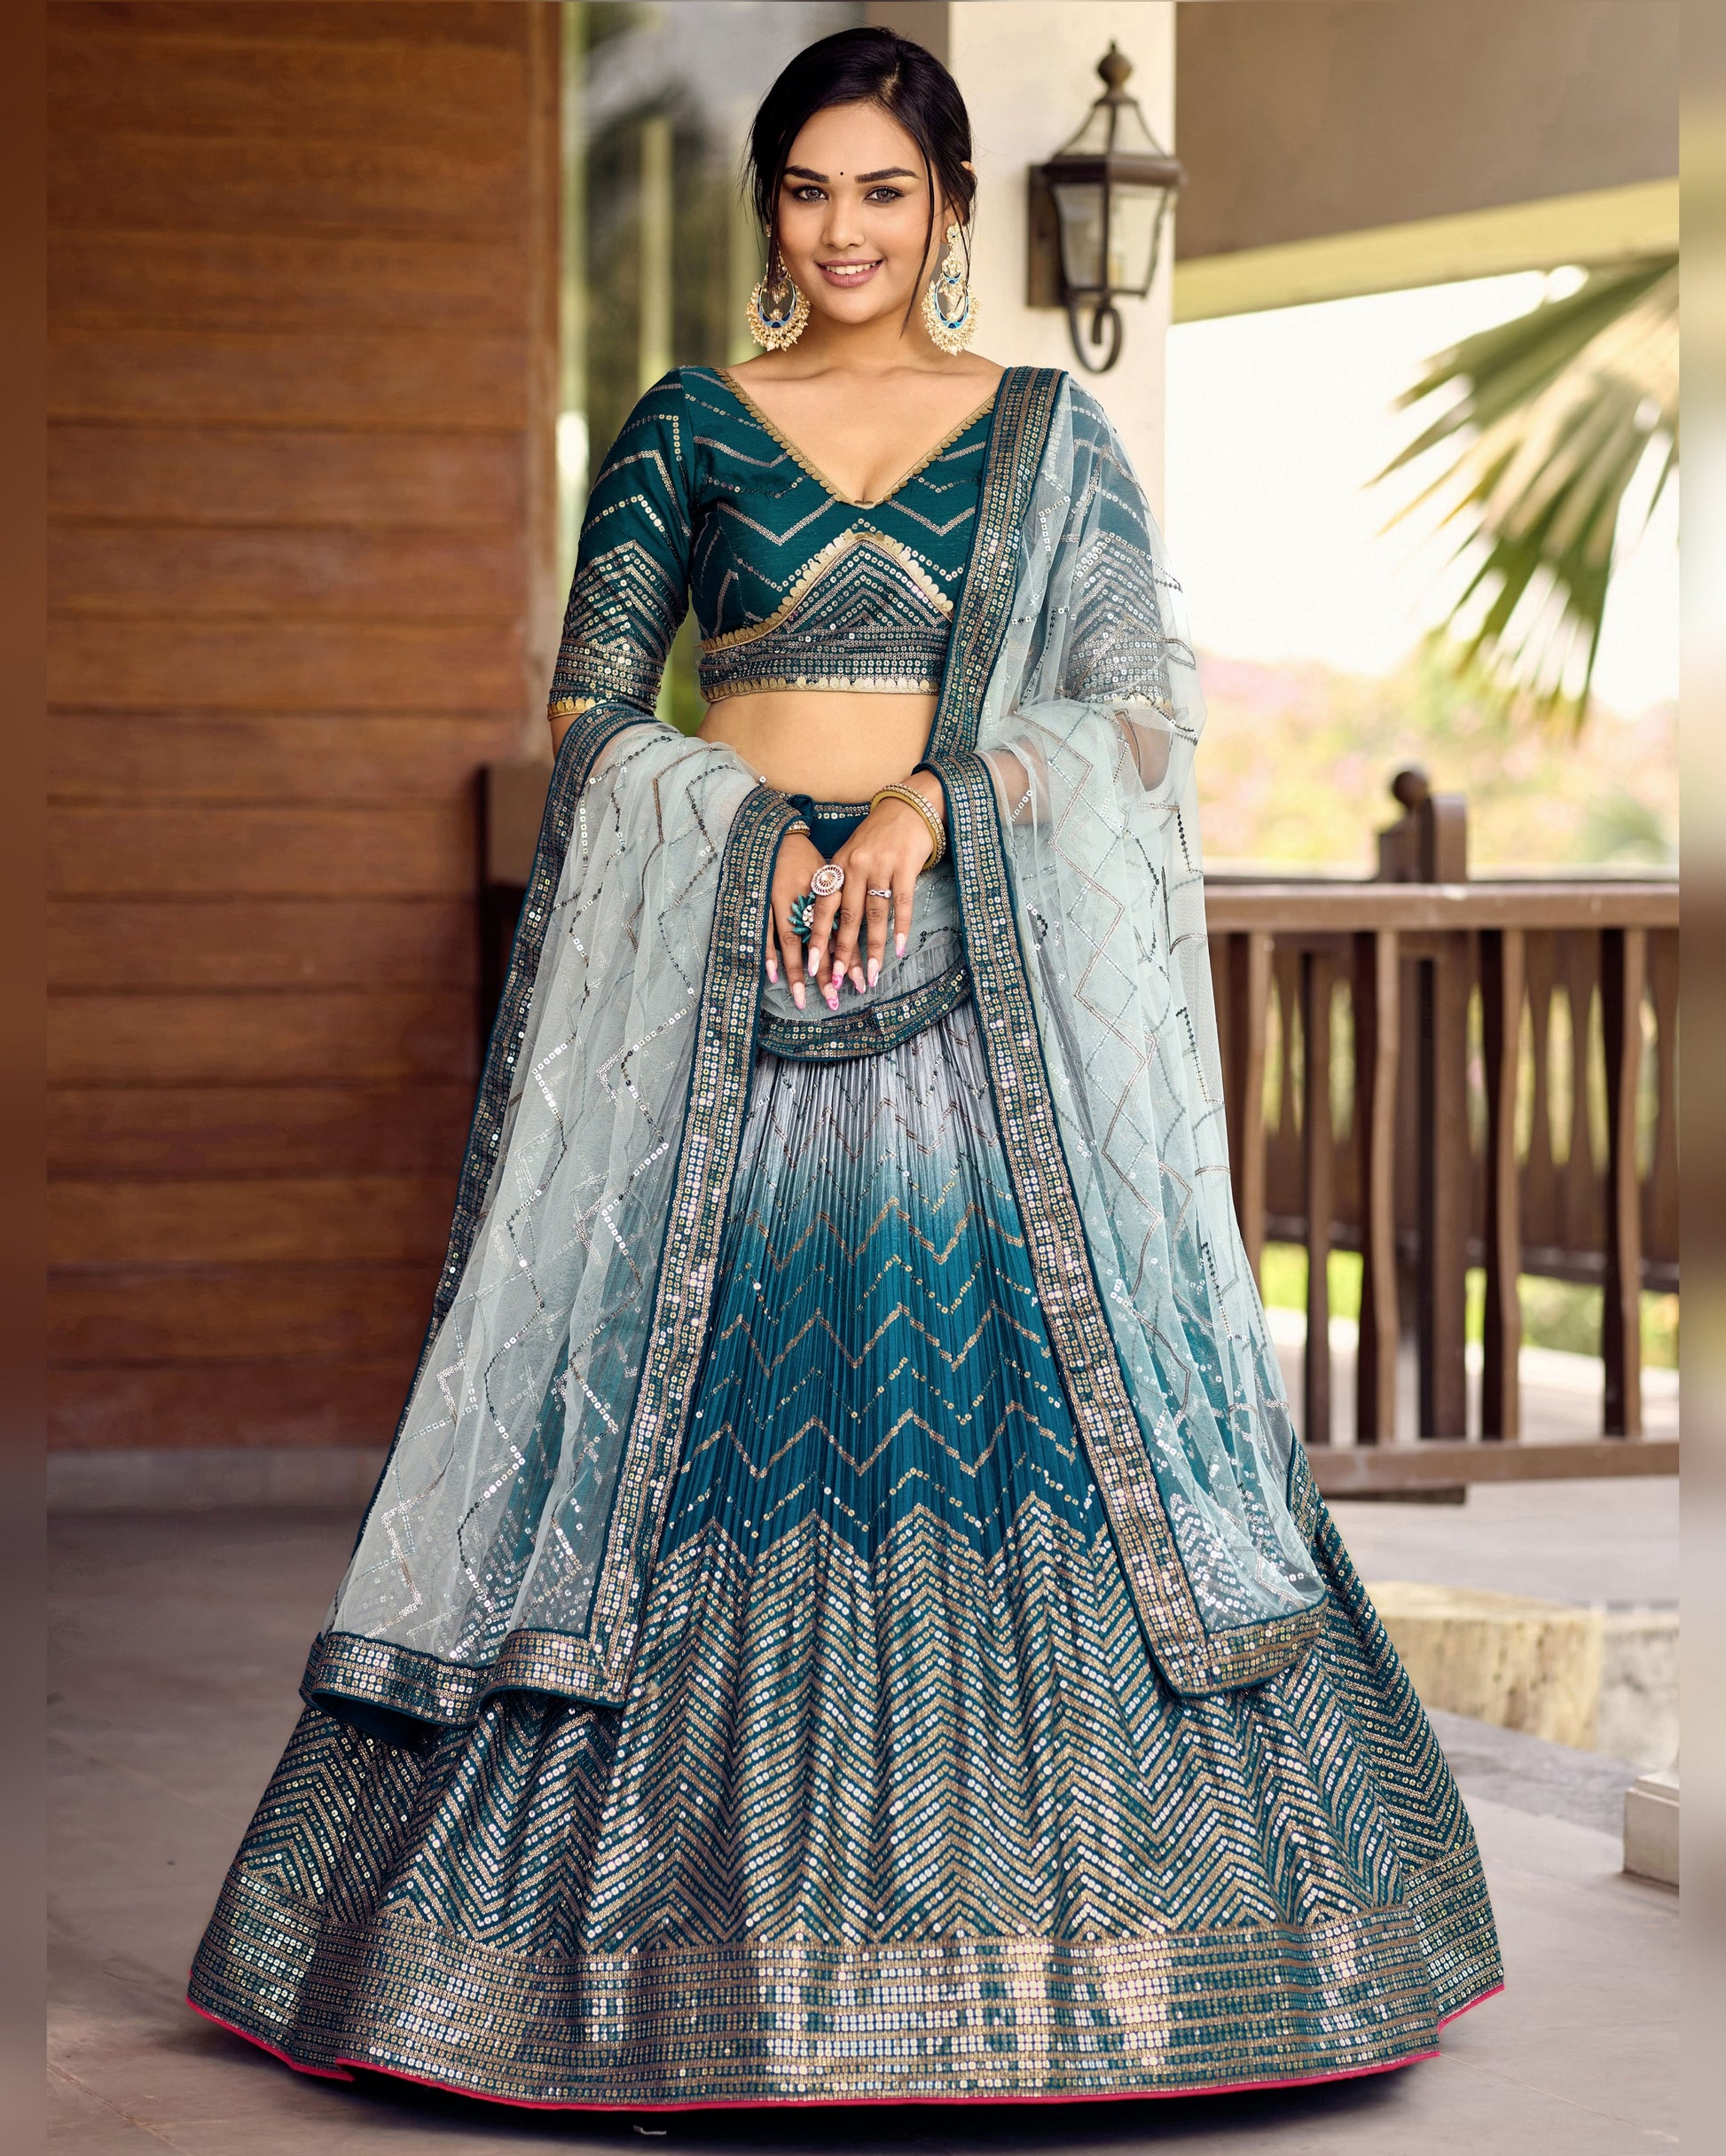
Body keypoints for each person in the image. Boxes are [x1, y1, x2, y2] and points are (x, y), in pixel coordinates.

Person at [187, 26, 1501, 2112]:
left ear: (954, 209)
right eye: (807, 190)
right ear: (770, 212)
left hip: (972, 1007)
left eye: (885, 191)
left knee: (1001, 1446)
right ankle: (653, 1969)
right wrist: (755, 839)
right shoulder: (688, 425)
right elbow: (592, 721)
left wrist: (929, 812)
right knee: (706, 1451)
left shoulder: (1052, 437)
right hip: (734, 997)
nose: (845, 230)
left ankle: (1085, 1969)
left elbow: (1143, 714)